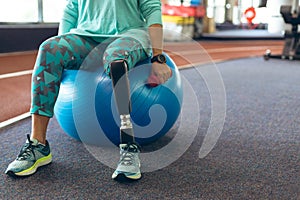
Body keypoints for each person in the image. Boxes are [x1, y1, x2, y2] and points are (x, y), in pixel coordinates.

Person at [5, 0, 172, 181]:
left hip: (128, 36)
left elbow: (152, 8)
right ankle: (38, 145)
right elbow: (72, 9)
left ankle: (128, 146)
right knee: (49, 49)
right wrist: (63, 56)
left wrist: (158, 58)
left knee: (117, 60)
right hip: (86, 37)